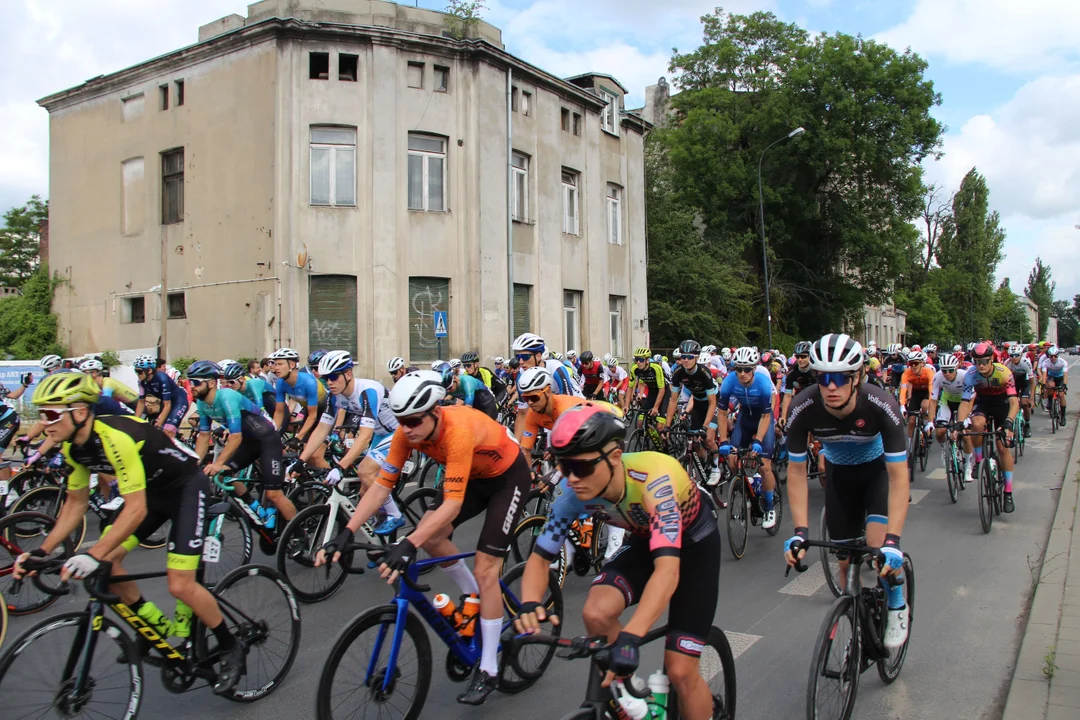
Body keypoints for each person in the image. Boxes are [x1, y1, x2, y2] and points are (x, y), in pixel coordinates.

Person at [12, 372, 246, 694]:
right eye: (41, 415)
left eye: (52, 414)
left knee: (180, 584)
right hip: (153, 494)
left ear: (79, 412)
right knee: (109, 567)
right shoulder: (73, 449)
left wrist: (92, 553)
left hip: (186, 489)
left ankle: (230, 645)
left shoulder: (113, 437)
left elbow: (134, 510)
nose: (45, 423)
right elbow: (75, 504)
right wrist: (43, 550)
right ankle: (155, 629)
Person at [314, 372, 530, 705]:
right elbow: (382, 486)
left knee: (487, 569)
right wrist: (346, 531)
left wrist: (407, 543)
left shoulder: (455, 431)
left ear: (435, 411)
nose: (408, 429)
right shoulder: (406, 433)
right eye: (402, 421)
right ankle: (474, 593)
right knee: (432, 537)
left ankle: (488, 668)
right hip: (471, 477)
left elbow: (453, 504)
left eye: (414, 420)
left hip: (507, 478)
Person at [514, 403, 721, 720]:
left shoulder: (655, 480)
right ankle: (627, 691)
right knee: (595, 613)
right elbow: (540, 558)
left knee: (680, 671)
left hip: (695, 547)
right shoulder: (571, 493)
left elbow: (667, 571)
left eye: (581, 468)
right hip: (644, 540)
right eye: (562, 467)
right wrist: (528, 605)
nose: (571, 479)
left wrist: (631, 637)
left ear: (613, 457)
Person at [783, 334, 910, 649]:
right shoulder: (803, 407)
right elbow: (796, 472)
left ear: (858, 378)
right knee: (845, 563)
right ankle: (855, 626)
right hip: (839, 477)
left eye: (841, 378)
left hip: (877, 473)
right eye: (823, 378)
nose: (831, 386)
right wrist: (800, 531)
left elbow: (898, 477)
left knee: (877, 548)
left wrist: (894, 541)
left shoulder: (881, 404)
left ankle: (895, 599)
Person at [298, 351, 404, 535]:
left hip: (399, 432)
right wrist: (300, 460)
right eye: (326, 378)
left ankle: (395, 515)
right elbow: (322, 429)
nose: (329, 382)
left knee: (365, 470)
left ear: (348, 374)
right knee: (365, 493)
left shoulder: (367, 391)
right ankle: (381, 544)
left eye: (333, 377)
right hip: (380, 434)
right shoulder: (335, 396)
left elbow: (363, 438)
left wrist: (340, 467)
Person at [188, 361, 296, 530]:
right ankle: (256, 507)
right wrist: (193, 464)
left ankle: (299, 534)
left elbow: (236, 436)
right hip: (249, 443)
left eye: (195, 382)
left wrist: (217, 463)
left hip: (268, 440)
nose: (191, 386)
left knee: (274, 495)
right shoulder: (202, 404)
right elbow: (203, 435)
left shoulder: (227, 397)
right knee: (224, 475)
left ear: (210, 383)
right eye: (189, 382)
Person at [717, 347, 780, 529]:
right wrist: (722, 441)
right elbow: (721, 414)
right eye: (739, 369)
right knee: (732, 459)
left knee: (765, 465)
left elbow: (767, 416)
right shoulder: (729, 382)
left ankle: (769, 507)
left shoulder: (762, 383)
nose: (742, 373)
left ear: (754, 368)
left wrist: (759, 440)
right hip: (745, 417)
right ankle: (747, 489)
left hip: (762, 419)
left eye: (747, 369)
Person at [957, 341, 1019, 512]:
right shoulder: (971, 374)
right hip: (983, 402)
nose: (981, 365)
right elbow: (965, 402)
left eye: (984, 361)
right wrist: (959, 422)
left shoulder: (1004, 373)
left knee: (1003, 447)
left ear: (991, 359)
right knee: (976, 424)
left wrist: (1009, 421)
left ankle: (1008, 492)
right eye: (977, 362)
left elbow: (1014, 402)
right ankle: (978, 462)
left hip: (1002, 404)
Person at [665, 340, 721, 485]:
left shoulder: (704, 372)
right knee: (695, 442)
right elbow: (673, 400)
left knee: (708, 438)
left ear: (696, 357)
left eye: (690, 357)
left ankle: (716, 467)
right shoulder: (678, 372)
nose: (686, 360)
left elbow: (712, 402)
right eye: (683, 357)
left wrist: (705, 426)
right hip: (697, 403)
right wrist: (667, 425)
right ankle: (705, 467)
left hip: (713, 403)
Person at [267, 347, 328, 447]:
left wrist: (298, 437)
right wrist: (272, 434)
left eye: (280, 364)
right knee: (302, 449)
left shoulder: (308, 382)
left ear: (292, 365)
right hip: (309, 410)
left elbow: (313, 416)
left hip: (327, 410)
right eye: (275, 364)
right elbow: (279, 412)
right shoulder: (280, 383)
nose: (276, 368)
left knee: (315, 455)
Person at [133, 354, 189, 438]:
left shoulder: (162, 378)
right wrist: (135, 422)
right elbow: (141, 402)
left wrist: (158, 424)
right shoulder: (141, 381)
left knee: (167, 431)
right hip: (166, 403)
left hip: (179, 401)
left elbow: (167, 405)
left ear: (149, 371)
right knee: (158, 433)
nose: (137, 374)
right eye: (136, 371)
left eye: (139, 371)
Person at [1004, 345, 1034, 438]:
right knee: (1009, 404)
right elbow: (1004, 381)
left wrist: (1032, 398)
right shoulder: (1007, 363)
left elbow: (1032, 382)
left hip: (1025, 382)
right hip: (1013, 382)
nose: (1014, 358)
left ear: (1021, 355)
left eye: (1016, 355)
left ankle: (1027, 424)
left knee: (1024, 403)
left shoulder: (1026, 362)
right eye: (1011, 355)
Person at [1039, 345, 1069, 425]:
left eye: (1055, 356)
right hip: (1051, 377)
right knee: (1050, 386)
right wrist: (1044, 384)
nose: (1053, 358)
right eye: (1051, 356)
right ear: (1048, 356)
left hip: (1060, 378)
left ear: (1058, 355)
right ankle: (1050, 401)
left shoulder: (1063, 362)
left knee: (1061, 395)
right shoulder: (1045, 362)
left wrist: (1065, 384)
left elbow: (1065, 374)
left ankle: (1063, 416)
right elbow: (1044, 374)